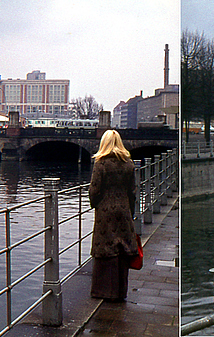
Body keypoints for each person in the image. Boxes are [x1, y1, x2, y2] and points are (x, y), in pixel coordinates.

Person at [89, 129, 138, 301]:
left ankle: (103, 291)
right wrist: (130, 211)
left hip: (105, 211)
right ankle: (120, 291)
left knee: (105, 249)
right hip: (123, 209)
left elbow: (94, 190)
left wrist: (95, 204)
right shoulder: (128, 164)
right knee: (122, 248)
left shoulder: (101, 164)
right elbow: (132, 192)